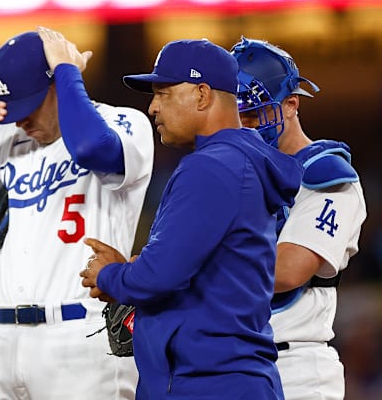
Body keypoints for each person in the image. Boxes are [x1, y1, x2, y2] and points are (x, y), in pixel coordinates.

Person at [0, 26, 154, 399]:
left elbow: (90, 148)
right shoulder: (6, 141)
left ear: (59, 81)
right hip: (2, 337)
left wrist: (68, 70)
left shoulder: (122, 123)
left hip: (79, 335)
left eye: (30, 103)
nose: (20, 119)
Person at [80, 39, 304, 399]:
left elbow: (157, 276)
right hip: (224, 376)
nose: (152, 107)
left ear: (202, 94)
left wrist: (109, 274)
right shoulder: (237, 161)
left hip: (210, 380)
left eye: (163, 93)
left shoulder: (213, 167)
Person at [231, 37, 367, 400]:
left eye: (255, 111)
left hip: (295, 369)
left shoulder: (327, 176)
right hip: (230, 365)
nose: (245, 125)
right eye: (236, 113)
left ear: (290, 104)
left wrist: (185, 269)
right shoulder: (232, 175)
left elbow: (286, 271)